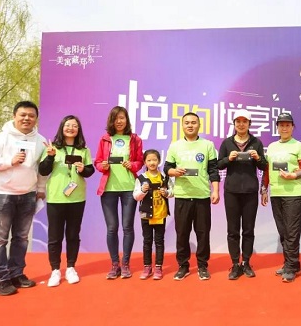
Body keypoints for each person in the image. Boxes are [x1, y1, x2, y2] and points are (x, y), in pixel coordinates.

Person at [0, 101, 47, 296]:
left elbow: (42, 169)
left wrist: (40, 189)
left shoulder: (40, 140)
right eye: (23, 115)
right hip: (2, 194)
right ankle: (0, 279)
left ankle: (17, 274)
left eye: (31, 116)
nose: (27, 119)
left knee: (21, 238)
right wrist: (9, 161)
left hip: (28, 195)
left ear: (36, 119)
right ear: (15, 116)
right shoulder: (0, 138)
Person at [39, 115, 95, 287]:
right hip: (56, 197)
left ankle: (71, 267)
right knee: (54, 236)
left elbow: (90, 170)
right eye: (68, 125)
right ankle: (55, 270)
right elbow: (43, 171)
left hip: (77, 198)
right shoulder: (52, 148)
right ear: (62, 127)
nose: (71, 128)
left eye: (75, 126)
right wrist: (50, 156)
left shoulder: (83, 150)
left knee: (73, 235)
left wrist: (83, 169)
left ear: (79, 130)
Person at [164, 112, 220, 281]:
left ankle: (202, 266)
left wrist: (215, 191)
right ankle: (183, 266)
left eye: (193, 122)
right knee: (182, 233)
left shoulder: (208, 145)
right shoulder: (175, 146)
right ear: (182, 125)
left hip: (202, 196)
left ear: (199, 125)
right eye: (187, 122)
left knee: (203, 233)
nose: (190, 125)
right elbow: (167, 168)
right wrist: (174, 171)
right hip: (182, 196)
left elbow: (213, 170)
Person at [217, 109, 268, 280]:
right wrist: (228, 159)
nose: (241, 124)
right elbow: (219, 165)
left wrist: (258, 158)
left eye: (244, 121)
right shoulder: (227, 143)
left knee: (248, 229)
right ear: (234, 124)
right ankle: (235, 264)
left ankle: (246, 262)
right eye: (238, 121)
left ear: (249, 124)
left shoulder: (256, 142)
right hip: (231, 192)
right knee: (232, 230)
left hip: (250, 192)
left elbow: (264, 166)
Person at [94, 106, 144, 279]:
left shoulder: (135, 139)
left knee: (127, 227)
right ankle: (114, 264)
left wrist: (133, 165)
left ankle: (126, 264)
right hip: (109, 189)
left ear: (127, 120)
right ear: (111, 120)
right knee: (112, 228)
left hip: (129, 188)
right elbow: (98, 162)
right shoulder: (105, 139)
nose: (119, 121)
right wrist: (103, 166)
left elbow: (140, 161)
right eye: (116, 118)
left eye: (122, 118)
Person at [261, 112, 301, 283]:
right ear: (277, 127)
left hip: (293, 195)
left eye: (287, 125)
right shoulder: (272, 147)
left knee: (291, 232)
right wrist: (264, 189)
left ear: (292, 127)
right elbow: (267, 170)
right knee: (283, 232)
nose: (284, 128)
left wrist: (294, 175)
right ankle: (292, 263)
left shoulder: (298, 146)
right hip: (276, 194)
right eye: (281, 125)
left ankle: (290, 267)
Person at [133, 149, 172, 280]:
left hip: (160, 214)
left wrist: (166, 193)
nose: (152, 163)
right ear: (145, 162)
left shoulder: (164, 177)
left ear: (159, 161)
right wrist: (142, 191)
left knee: (159, 241)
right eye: (149, 160)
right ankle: (147, 267)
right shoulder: (141, 178)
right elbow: (136, 196)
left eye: (154, 160)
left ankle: (159, 267)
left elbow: (172, 191)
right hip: (146, 215)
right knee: (147, 241)